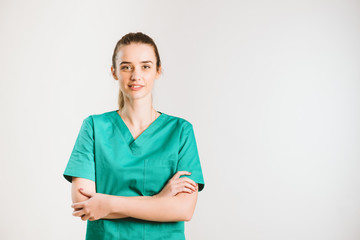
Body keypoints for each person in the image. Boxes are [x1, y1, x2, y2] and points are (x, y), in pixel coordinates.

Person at [63, 32, 205, 240]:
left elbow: (183, 210)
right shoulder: (94, 127)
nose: (136, 75)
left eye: (145, 66)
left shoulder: (180, 131)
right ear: (114, 72)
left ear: (158, 71)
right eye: (126, 66)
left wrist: (108, 204)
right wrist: (159, 200)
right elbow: (86, 206)